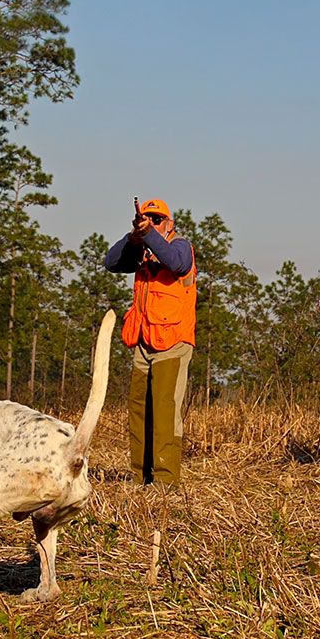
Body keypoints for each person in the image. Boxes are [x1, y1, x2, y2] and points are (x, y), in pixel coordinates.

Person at [104, 198, 197, 485]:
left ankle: (165, 481)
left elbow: (176, 263)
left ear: (170, 224)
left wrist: (148, 235)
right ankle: (140, 477)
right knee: (138, 409)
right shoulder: (141, 250)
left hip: (173, 342)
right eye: (147, 218)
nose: (152, 223)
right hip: (144, 342)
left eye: (157, 219)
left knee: (165, 409)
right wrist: (134, 237)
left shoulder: (181, 247)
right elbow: (111, 262)